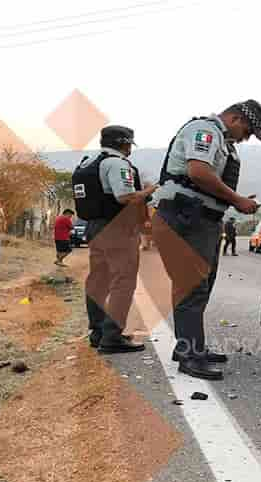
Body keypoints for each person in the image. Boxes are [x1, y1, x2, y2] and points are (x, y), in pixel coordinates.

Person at [153, 99, 261, 380]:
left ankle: (190, 347)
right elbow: (198, 172)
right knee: (192, 287)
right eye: (248, 131)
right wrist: (236, 199)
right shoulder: (204, 131)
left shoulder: (221, 139)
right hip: (184, 217)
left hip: (200, 221)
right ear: (236, 118)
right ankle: (190, 356)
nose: (245, 138)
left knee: (200, 286)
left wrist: (235, 201)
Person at [80, 125, 157, 354]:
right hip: (117, 229)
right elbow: (124, 196)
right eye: (129, 145)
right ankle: (112, 336)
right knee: (123, 281)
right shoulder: (117, 163)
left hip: (95, 227)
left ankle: (97, 332)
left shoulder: (88, 162)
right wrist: (148, 191)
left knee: (98, 280)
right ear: (124, 143)